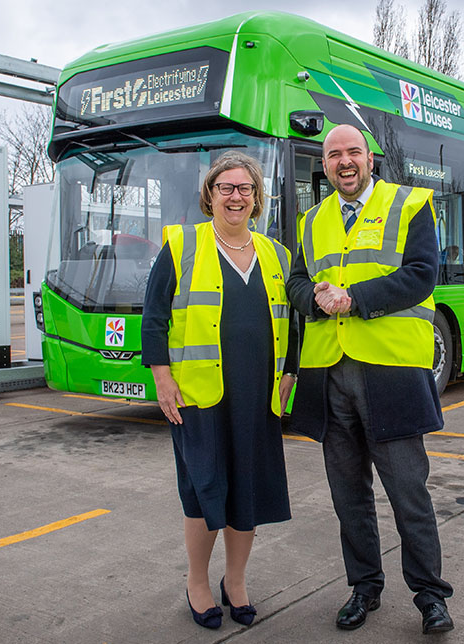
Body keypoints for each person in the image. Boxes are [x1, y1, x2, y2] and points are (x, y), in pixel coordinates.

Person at [286, 124, 454, 635]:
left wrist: (354, 298)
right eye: (333, 154)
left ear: (370, 158)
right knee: (348, 496)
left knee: (408, 492)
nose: (344, 162)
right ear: (325, 163)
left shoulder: (410, 204)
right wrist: (311, 297)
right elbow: (294, 281)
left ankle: (430, 597)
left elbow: (423, 273)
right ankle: (364, 588)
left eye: (353, 152)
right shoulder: (311, 220)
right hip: (330, 373)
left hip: (391, 373)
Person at [141, 151, 297, 630]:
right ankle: (197, 582)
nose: (235, 196)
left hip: (258, 394)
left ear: (257, 198)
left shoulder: (276, 254)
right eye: (225, 188)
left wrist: (290, 370)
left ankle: (236, 580)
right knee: (204, 489)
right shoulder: (181, 245)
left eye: (244, 189)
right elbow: (154, 317)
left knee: (246, 491)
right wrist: (162, 377)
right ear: (210, 195)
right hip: (199, 396)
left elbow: (295, 320)